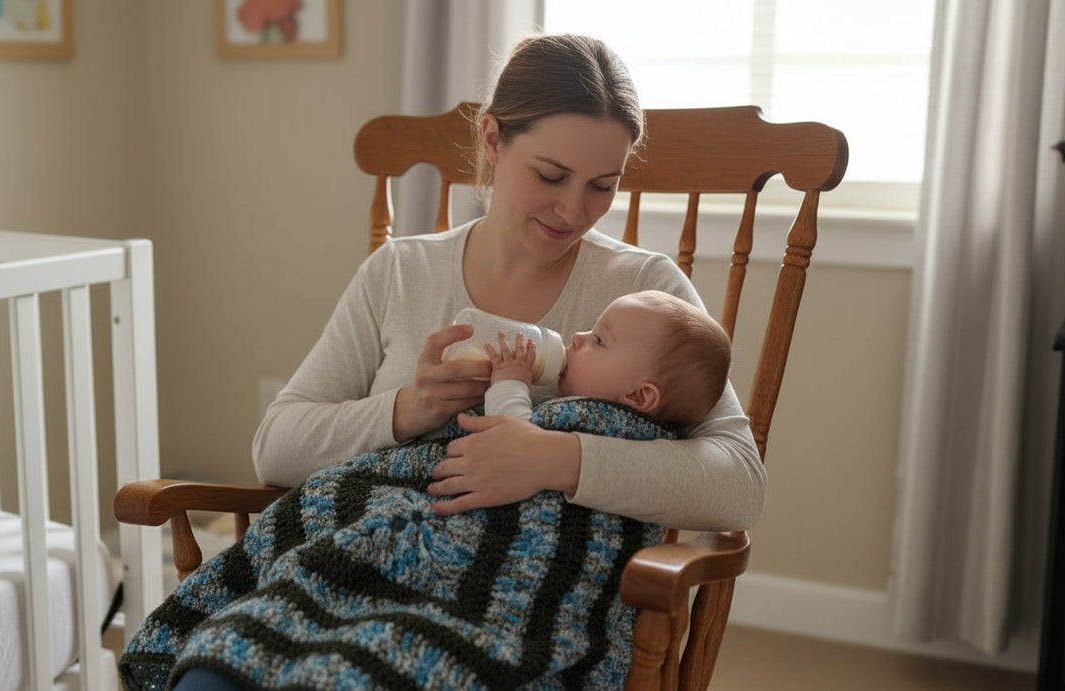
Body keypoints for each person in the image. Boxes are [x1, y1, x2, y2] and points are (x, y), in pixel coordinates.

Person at [253, 32, 764, 528]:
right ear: (493, 139)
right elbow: (275, 447)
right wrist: (409, 409)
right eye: (550, 176)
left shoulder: (644, 290)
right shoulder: (400, 272)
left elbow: (740, 483)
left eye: (602, 186)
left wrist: (554, 459)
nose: (572, 210)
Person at [480, 289, 732, 429]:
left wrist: (509, 383)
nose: (578, 337)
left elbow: (512, 444)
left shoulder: (601, 425)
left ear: (638, 396)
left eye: (599, 340)